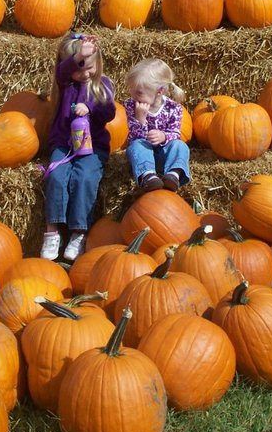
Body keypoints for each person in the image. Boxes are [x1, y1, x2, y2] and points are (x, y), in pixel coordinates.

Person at [40, 32, 116, 261]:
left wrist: (91, 108)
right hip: (64, 145)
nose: (84, 74)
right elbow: (63, 71)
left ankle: (78, 232)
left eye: (89, 67)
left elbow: (110, 113)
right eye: (78, 68)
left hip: (93, 147)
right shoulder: (65, 84)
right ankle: (52, 232)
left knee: (84, 177)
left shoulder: (103, 84)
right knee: (56, 175)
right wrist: (78, 57)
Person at [123, 58, 190, 192]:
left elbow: (176, 133)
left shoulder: (173, 108)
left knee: (180, 146)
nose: (133, 95)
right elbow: (131, 137)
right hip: (143, 154)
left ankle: (173, 174)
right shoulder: (130, 105)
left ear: (160, 91)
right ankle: (148, 176)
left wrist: (164, 137)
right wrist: (140, 120)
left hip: (164, 153)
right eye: (132, 90)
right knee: (137, 146)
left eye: (139, 92)